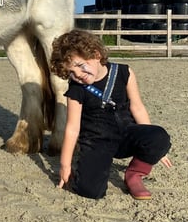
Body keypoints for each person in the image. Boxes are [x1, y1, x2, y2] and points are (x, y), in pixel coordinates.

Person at [49, 29, 172, 200]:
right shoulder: (76, 89)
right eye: (71, 72)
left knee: (159, 136)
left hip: (126, 135)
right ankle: (90, 168)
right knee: (90, 191)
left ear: (96, 54)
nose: (78, 75)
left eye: (79, 66)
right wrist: (65, 165)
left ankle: (134, 174)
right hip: (97, 141)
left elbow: (137, 108)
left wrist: (158, 149)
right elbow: (72, 128)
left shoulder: (124, 73)